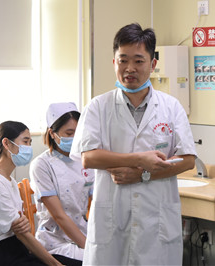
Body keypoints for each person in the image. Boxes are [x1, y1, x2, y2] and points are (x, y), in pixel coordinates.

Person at [71, 23, 197, 265]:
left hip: (156, 224)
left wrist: (141, 175)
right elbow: (89, 157)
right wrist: (139, 159)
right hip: (112, 222)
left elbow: (188, 160)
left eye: (138, 61)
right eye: (123, 60)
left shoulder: (171, 107)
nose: (130, 68)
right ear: (114, 62)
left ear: (153, 63)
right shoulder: (98, 107)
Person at [0, 121, 63, 266]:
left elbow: (22, 227)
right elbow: (21, 232)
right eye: (25, 141)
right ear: (6, 143)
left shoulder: (9, 181)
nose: (29, 147)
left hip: (16, 248)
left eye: (30, 142)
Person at [29, 103, 94, 265]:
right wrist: (90, 248)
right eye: (69, 133)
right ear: (52, 133)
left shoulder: (85, 160)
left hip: (84, 234)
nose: (75, 138)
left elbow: (98, 202)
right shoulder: (42, 165)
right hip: (55, 242)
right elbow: (59, 216)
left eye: (78, 132)